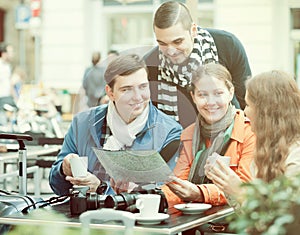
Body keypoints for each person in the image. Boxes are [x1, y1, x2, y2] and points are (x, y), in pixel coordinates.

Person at [49, 54, 182, 196]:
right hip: (81, 216)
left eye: (143, 87)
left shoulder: (170, 131)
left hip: (136, 217)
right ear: (110, 93)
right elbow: (57, 187)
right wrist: (63, 169)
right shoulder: (82, 123)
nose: (138, 96)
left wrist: (100, 189)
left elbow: (163, 195)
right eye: (127, 89)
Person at [144, 1, 251, 128]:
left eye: (178, 41)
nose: (171, 51)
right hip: (178, 142)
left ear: (193, 30)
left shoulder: (227, 45)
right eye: (162, 43)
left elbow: (246, 102)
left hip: (230, 134)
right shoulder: (149, 65)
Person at [162, 63, 255, 207]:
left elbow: (246, 188)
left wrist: (201, 193)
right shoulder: (189, 133)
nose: (211, 102)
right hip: (198, 223)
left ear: (231, 93)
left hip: (234, 222)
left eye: (218, 93)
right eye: (202, 95)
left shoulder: (249, 131)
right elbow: (178, 184)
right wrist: (153, 197)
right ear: (193, 97)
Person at [205, 70, 300, 203]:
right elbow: (251, 215)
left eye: (248, 105)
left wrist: (239, 192)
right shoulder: (267, 149)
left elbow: (286, 219)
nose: (245, 111)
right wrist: (227, 186)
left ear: (266, 112)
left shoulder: (295, 157)